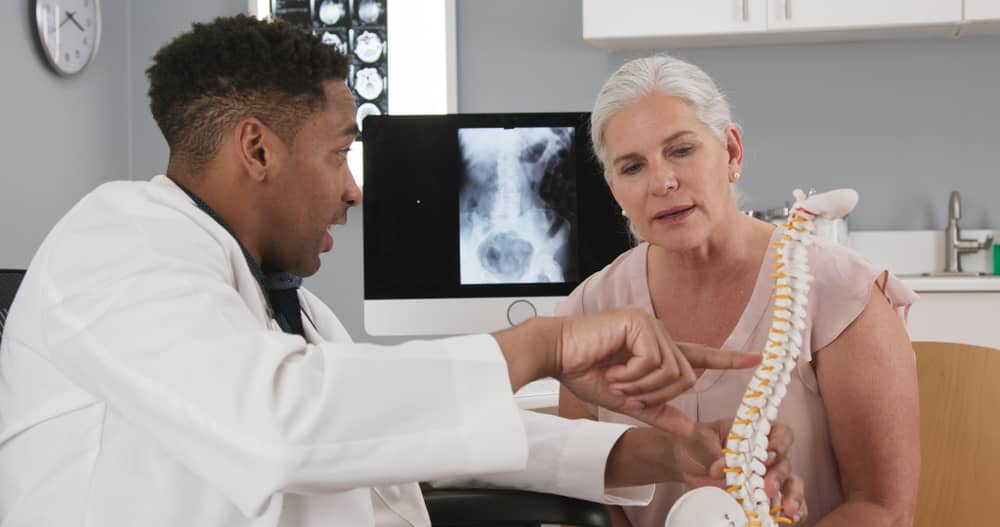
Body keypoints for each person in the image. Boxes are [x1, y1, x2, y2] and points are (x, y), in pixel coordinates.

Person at [0, 17, 803, 527]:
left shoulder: (296, 313)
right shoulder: (112, 244)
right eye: (341, 151)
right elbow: (285, 426)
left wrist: (659, 455)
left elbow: (428, 436)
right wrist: (542, 346)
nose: (354, 189)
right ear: (255, 149)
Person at [558, 54, 921, 527]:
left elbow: (883, 509)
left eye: (682, 150)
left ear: (731, 152)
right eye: (632, 167)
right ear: (614, 190)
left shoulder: (843, 296)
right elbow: (582, 501)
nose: (662, 182)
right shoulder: (589, 311)